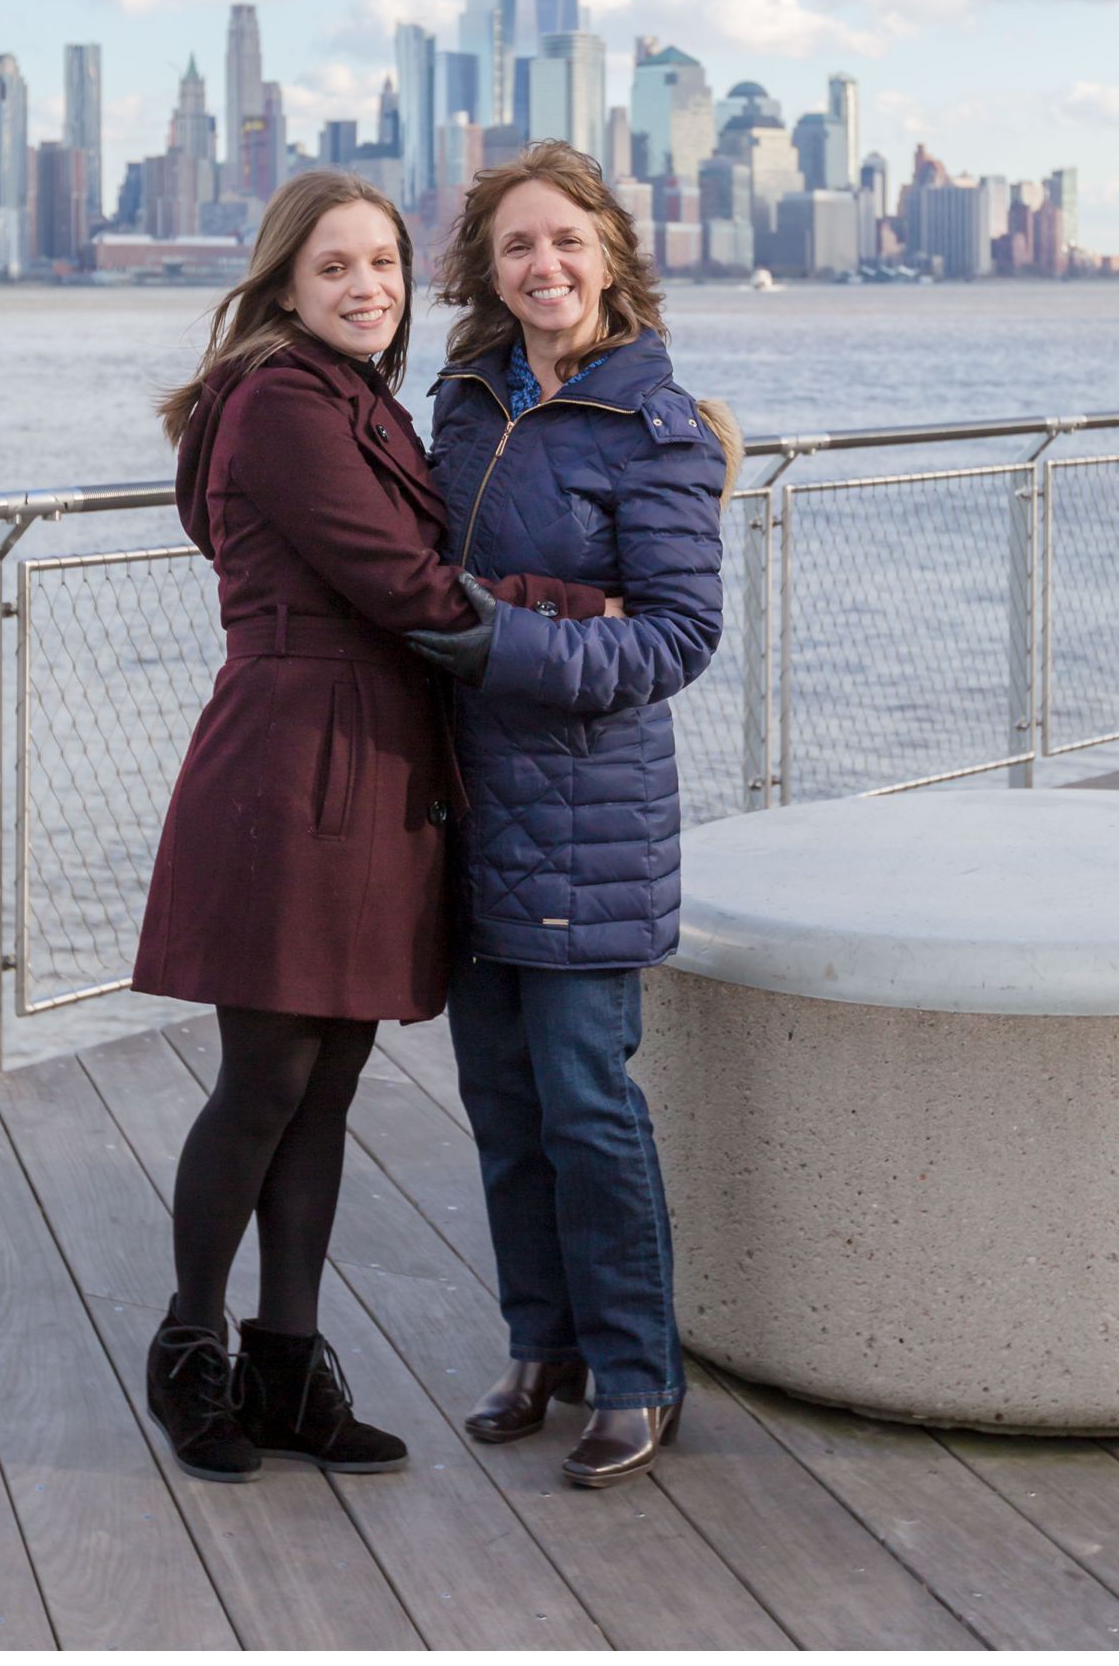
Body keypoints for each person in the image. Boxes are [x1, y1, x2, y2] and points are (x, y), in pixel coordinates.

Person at [128, 170, 605, 1485]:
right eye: (335, 265)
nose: (366, 286)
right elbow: (399, 581)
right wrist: (578, 603)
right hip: (294, 765)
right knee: (267, 1076)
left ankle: (290, 1358)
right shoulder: (281, 399)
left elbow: (420, 569)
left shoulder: (360, 401)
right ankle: (190, 1346)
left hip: (371, 756)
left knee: (328, 1082)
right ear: (285, 282)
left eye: (384, 264)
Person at [402, 140, 734, 1489]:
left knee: (588, 1100)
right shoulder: (466, 399)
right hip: (468, 800)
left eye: (566, 240)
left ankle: (639, 1370)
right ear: (488, 266)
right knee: (498, 1096)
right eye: (517, 244)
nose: (544, 265)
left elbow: (678, 635)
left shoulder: (655, 426)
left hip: (592, 812)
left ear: (611, 253)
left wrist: (509, 647)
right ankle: (539, 1344)